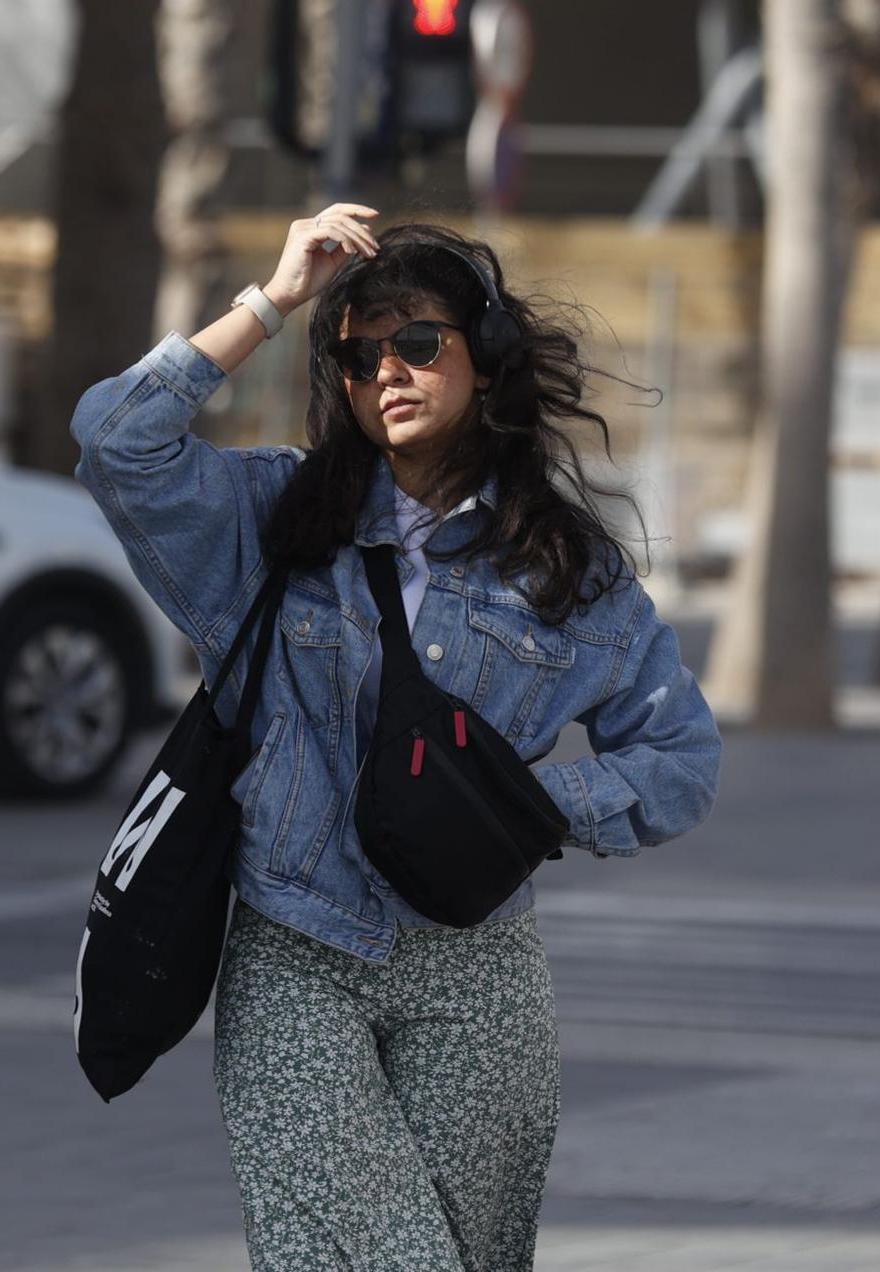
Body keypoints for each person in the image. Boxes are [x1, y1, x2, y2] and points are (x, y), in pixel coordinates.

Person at [68, 205, 722, 1271]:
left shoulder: (564, 568)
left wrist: (520, 810)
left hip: (478, 973)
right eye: (360, 353)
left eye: (417, 343)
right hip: (296, 954)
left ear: (485, 359)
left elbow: (680, 763)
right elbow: (112, 439)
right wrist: (272, 302)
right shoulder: (269, 518)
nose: (388, 372)